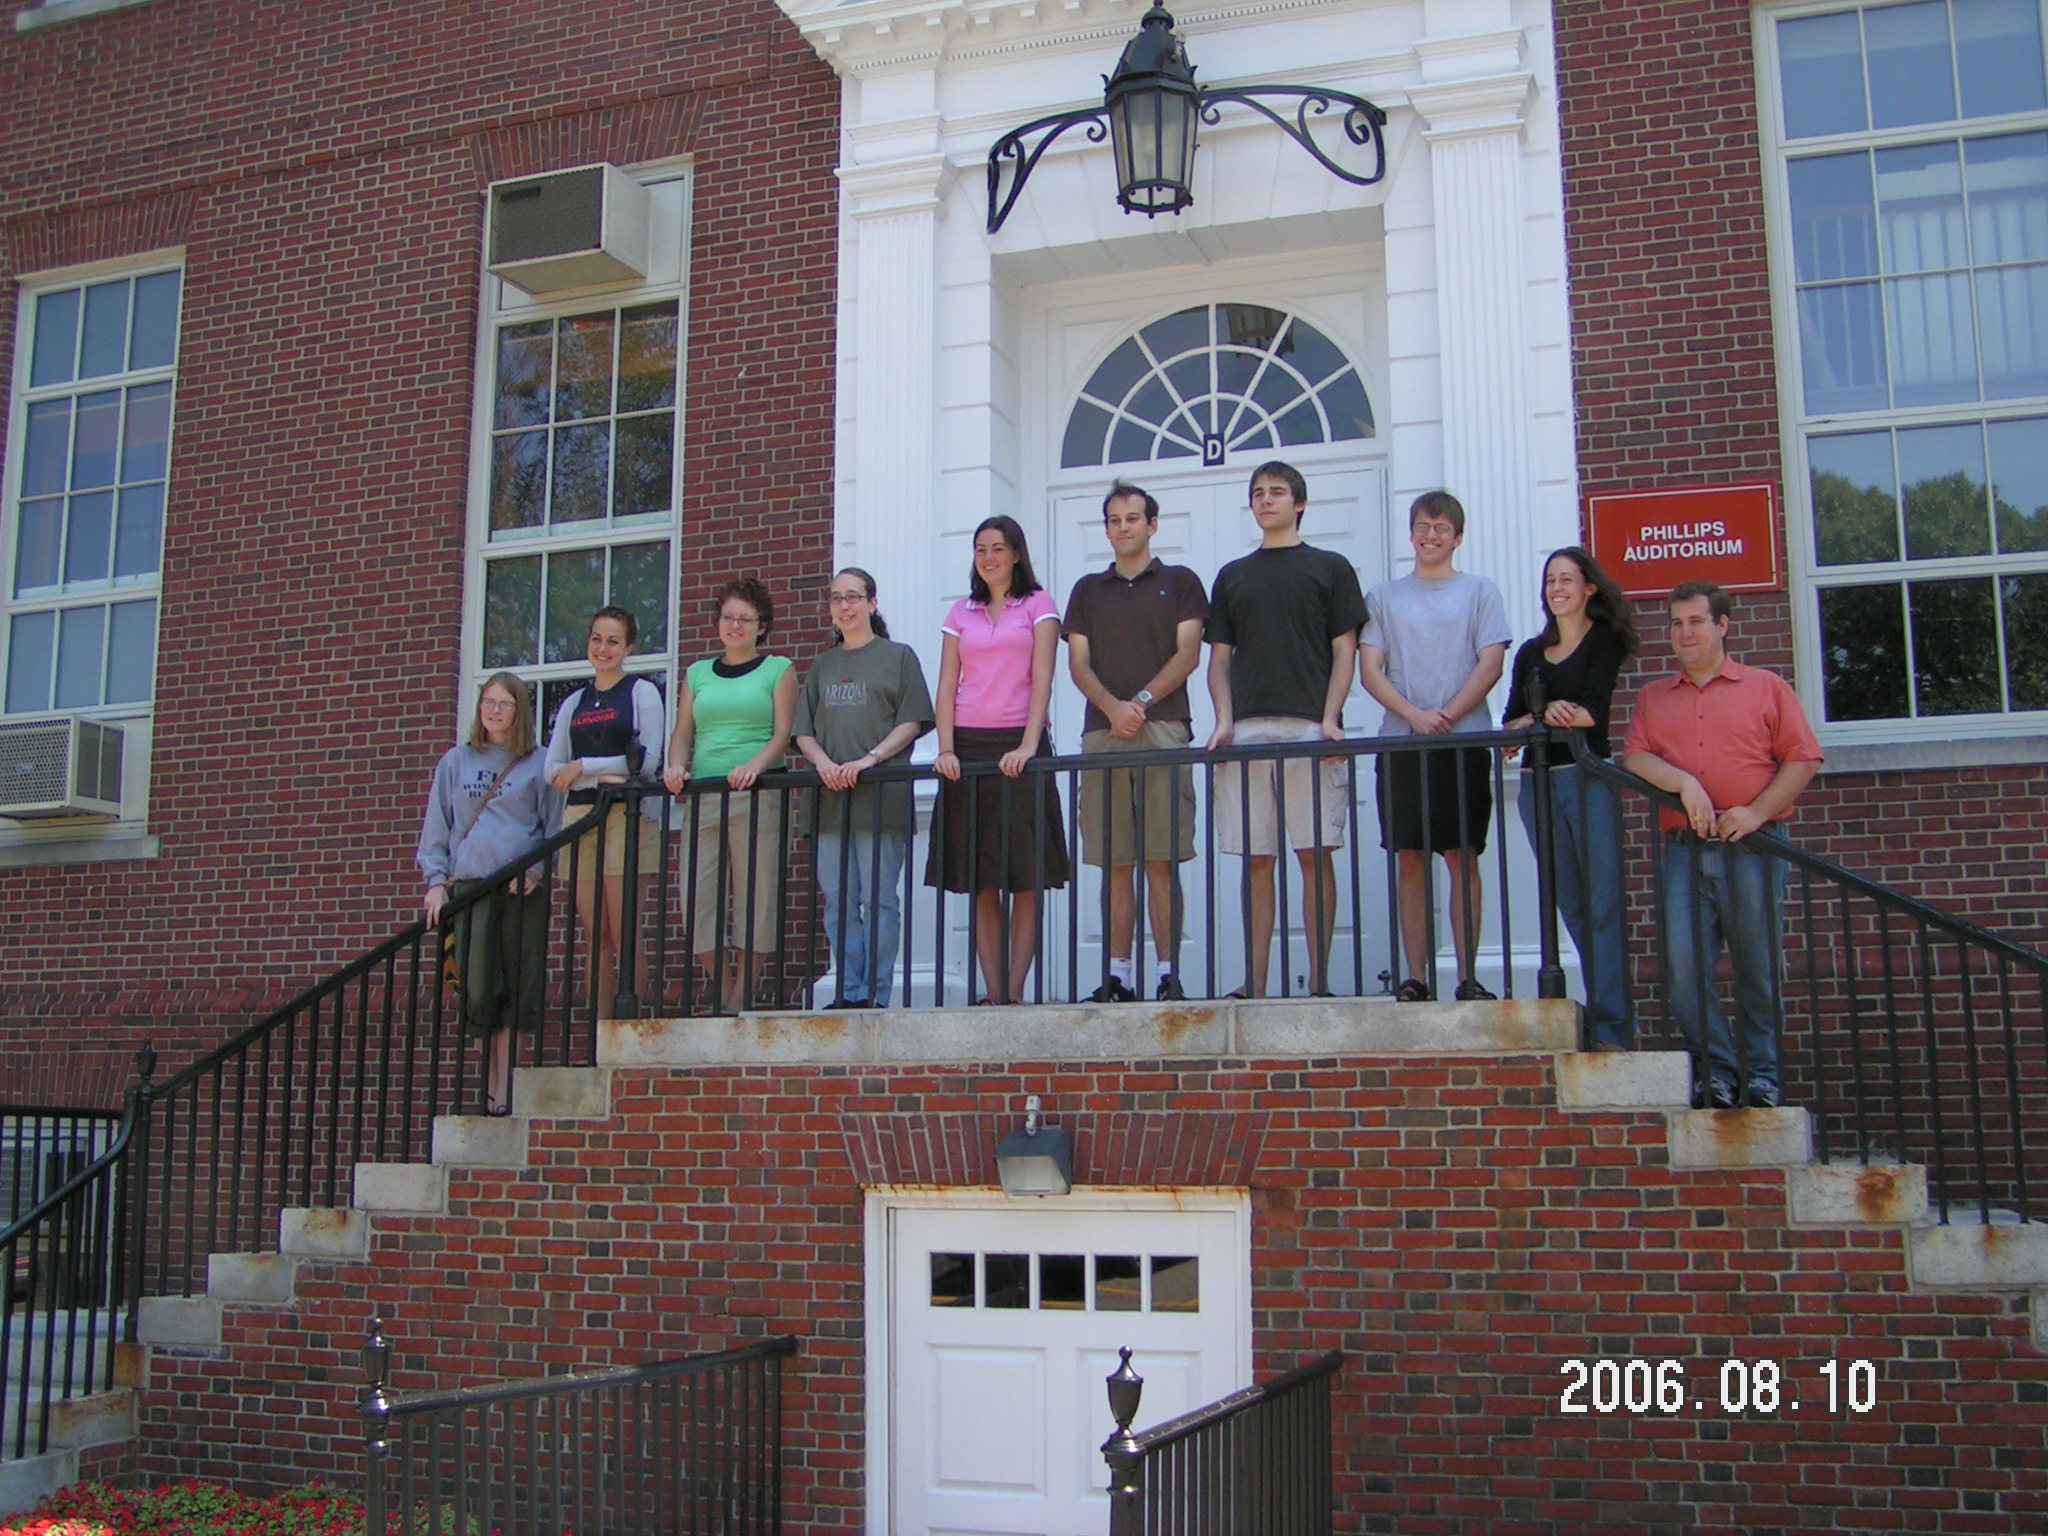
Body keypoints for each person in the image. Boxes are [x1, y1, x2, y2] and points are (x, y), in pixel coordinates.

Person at [1622, 582, 1823, 1109]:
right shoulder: (1654, 698)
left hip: (1753, 847)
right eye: (1676, 623)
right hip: (1683, 850)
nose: (1684, 633)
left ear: (1723, 625)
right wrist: (1685, 783)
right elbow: (1635, 757)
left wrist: (1755, 812)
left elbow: (1803, 759)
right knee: (1683, 971)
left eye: (1696, 621)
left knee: (1757, 967)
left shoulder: (1766, 687)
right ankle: (1715, 1072)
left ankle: (1762, 1076)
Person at [1205, 461, 1367, 999]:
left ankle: (1319, 983)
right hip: (1247, 730)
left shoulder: (1330, 567)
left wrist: (1331, 719)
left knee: (1314, 853)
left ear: (1299, 503)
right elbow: (1219, 659)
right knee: (1257, 859)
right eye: (1258, 493)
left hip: (1308, 728)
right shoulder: (1232, 575)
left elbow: (1345, 651)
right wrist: (1224, 721)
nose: (1266, 500)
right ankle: (1254, 984)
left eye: (1277, 492)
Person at [1359, 490, 1511, 1002]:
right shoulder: (1383, 597)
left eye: (1442, 528)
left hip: (1463, 743)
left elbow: (1491, 662)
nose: (1431, 535)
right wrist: (1415, 716)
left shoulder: (1480, 591)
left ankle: (1467, 977)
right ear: (1411, 533)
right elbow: (1370, 669)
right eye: (1423, 526)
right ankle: (1416, 977)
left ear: (1458, 537)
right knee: (1410, 859)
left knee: (1461, 856)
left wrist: (1445, 715)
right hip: (1402, 746)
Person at [1064, 481, 1207, 1003]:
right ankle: (1118, 976)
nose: (1123, 527)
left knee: (1162, 859)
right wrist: (1112, 708)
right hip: (1103, 734)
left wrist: (1139, 702)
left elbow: (1189, 653)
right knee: (1115, 861)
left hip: (1162, 728)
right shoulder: (1087, 590)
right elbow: (1077, 662)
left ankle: (1168, 974)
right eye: (1114, 520)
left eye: (1132, 518)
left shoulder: (1180, 582)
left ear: (1153, 524)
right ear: (1106, 529)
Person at [928, 514, 1070, 1004]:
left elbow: (1043, 676)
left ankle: (1014, 993)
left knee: (1025, 876)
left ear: (1016, 554)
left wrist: (1029, 745)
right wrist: (945, 748)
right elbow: (946, 685)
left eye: (998, 548)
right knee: (982, 879)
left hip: (1020, 745)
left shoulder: (1038, 604)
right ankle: (993, 995)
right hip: (968, 748)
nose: (988, 557)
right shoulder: (960, 612)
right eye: (980, 549)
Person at [1502, 547, 1638, 1048]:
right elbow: (1510, 727)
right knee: (1573, 907)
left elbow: (1593, 713)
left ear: (1588, 588)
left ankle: (1612, 1027)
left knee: (1603, 905)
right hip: (1537, 786)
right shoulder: (1530, 653)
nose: (1557, 589)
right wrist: (1540, 716)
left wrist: (1553, 715)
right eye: (1550, 581)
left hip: (1587, 779)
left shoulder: (1604, 640)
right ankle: (1603, 1012)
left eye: (1566, 580)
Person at [418, 673, 560, 1115]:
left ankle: (505, 1088)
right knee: (479, 989)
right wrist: (436, 882)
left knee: (516, 987)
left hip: (521, 890)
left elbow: (554, 828)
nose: (495, 711)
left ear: (519, 711)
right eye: (488, 703)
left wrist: (537, 869)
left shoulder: (539, 763)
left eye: (505, 704)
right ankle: (490, 1083)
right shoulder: (455, 762)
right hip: (471, 888)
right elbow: (437, 827)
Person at [793, 568, 934, 1009]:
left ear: (872, 603)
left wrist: (869, 760)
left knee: (879, 900)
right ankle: (849, 991)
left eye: (853, 597)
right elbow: (803, 731)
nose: (844, 606)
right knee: (838, 900)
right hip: (830, 798)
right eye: (836, 598)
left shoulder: (898, 657)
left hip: (880, 796)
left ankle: (875, 994)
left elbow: (912, 721)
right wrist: (825, 764)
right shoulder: (823, 665)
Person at [663, 578, 797, 1014]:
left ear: (762, 626)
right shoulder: (697, 674)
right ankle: (723, 992)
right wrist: (676, 766)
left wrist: (754, 766)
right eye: (728, 617)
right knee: (696, 897)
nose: (735, 625)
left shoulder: (778, 669)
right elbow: (683, 734)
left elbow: (783, 734)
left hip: (758, 794)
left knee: (756, 894)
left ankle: (742, 997)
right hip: (703, 794)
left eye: (745, 618)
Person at [545, 606, 666, 1019]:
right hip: (579, 819)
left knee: (624, 929)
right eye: (596, 639)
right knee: (594, 935)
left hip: (625, 817)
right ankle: (599, 1033)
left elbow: (646, 763)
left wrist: (584, 766)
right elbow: (551, 768)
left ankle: (629, 1028)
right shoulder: (573, 702)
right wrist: (596, 773)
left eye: (613, 641)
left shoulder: (642, 693)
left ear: (628, 647)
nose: (603, 648)